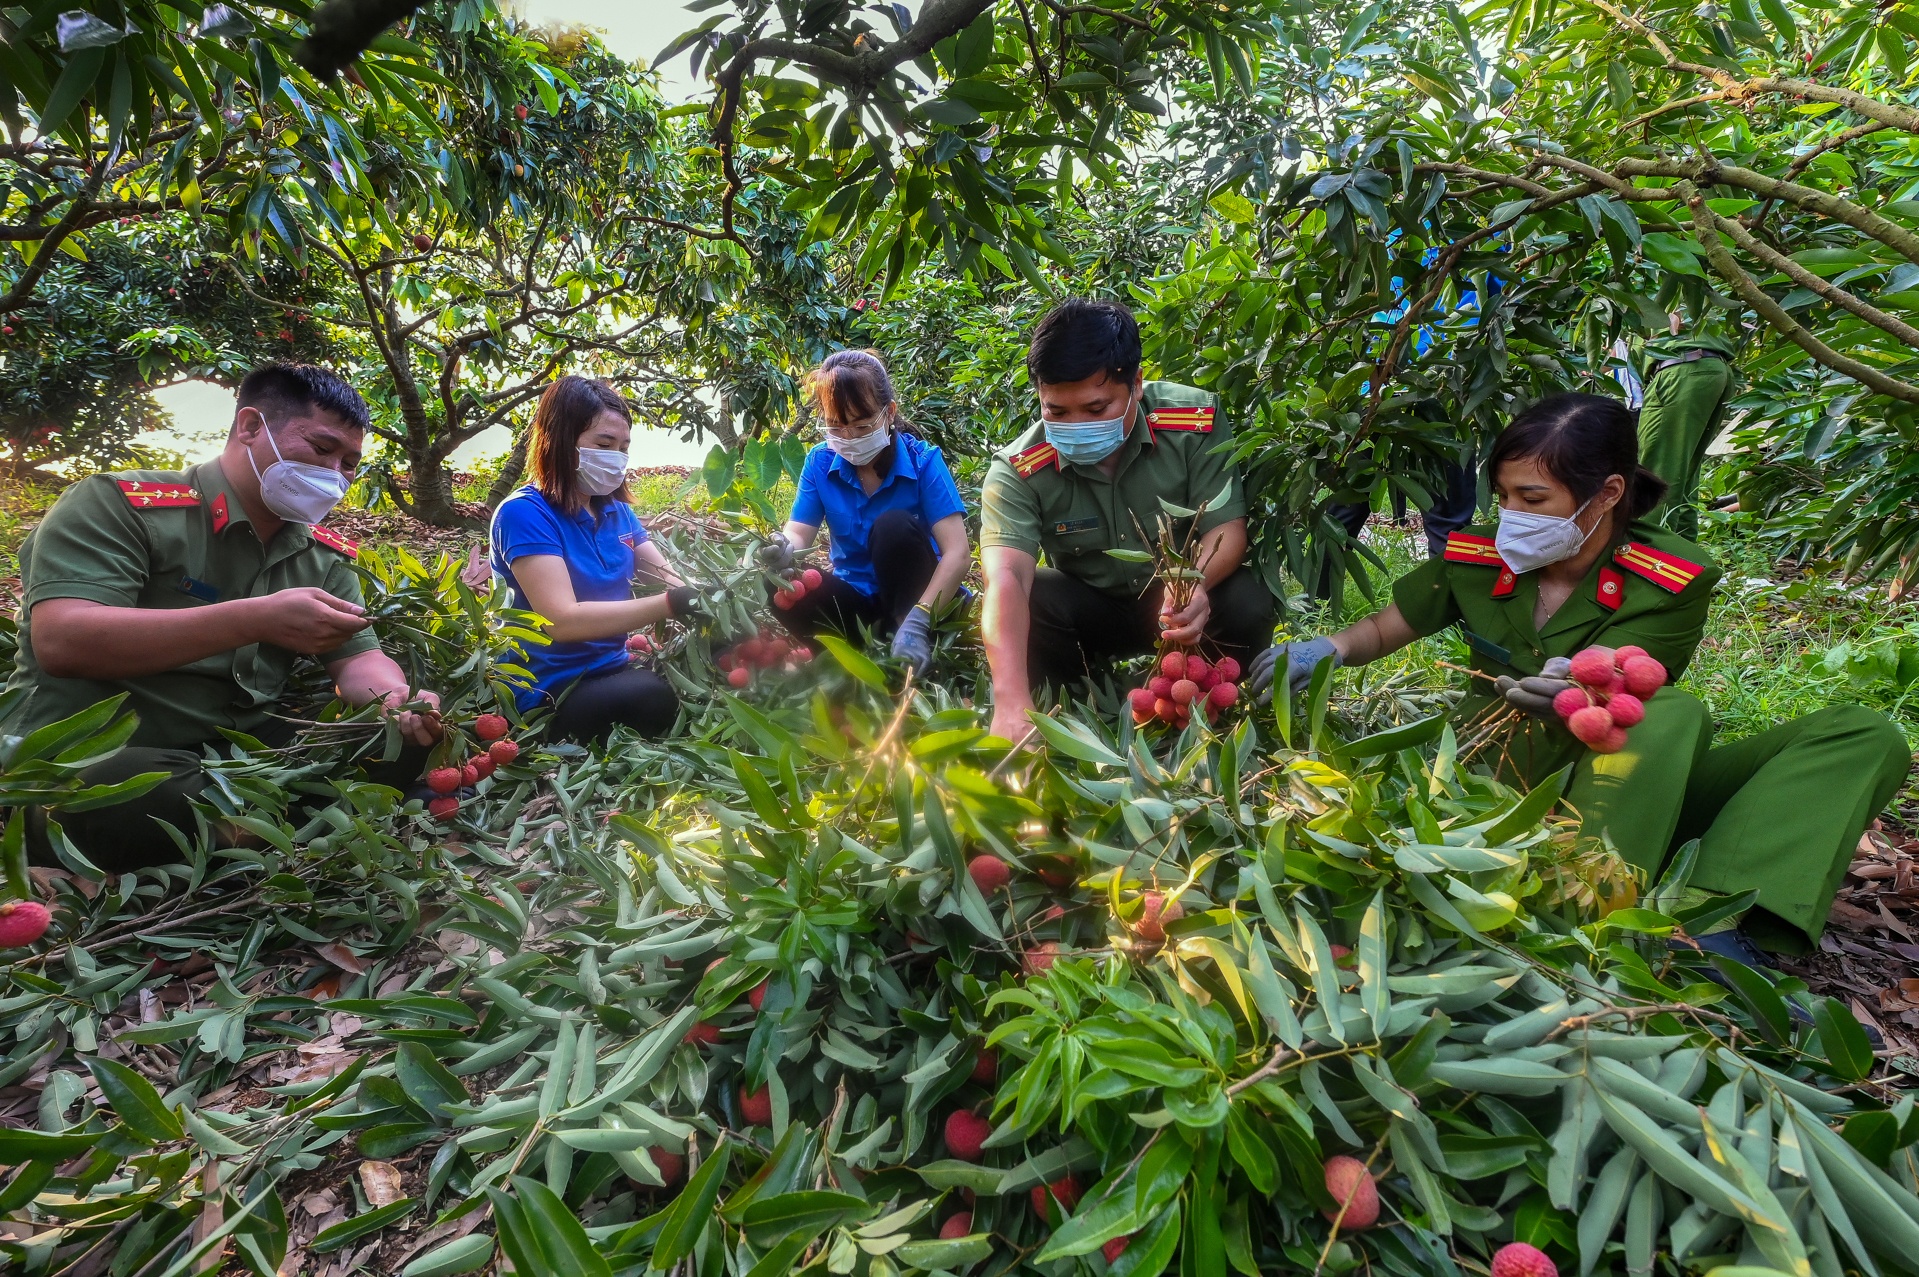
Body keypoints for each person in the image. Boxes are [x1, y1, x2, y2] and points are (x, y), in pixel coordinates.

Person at [1250, 392, 1908, 963]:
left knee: (1856, 732)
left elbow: (1635, 686)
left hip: (1630, 783)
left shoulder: (1672, 575)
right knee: (1672, 714)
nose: (1510, 512)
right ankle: (1589, 914)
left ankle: (1711, 923)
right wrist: (1324, 648)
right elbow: (1385, 627)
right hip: (1499, 778)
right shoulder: (1480, 555)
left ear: (1608, 493)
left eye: (1531, 498)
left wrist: (1573, 688)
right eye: (1503, 495)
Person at [7, 363, 445, 872]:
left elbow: (358, 657)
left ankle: (258, 832)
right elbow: (64, 640)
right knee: (153, 796)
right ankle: (285, 828)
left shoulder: (322, 555)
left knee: (404, 742)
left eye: (350, 463)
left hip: (240, 759)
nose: (336, 475)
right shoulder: (120, 506)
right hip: (98, 755)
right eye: (323, 450)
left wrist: (394, 700)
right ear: (251, 427)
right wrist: (252, 620)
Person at [979, 299, 1274, 741]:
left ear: (1136, 383)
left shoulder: (1193, 422)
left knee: (1250, 599)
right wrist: (1009, 700)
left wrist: (1195, 585)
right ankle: (1075, 696)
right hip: (1093, 608)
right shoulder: (1019, 469)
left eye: (1096, 410)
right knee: (1034, 596)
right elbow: (1006, 579)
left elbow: (1225, 529)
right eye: (1056, 412)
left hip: (1181, 601)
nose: (1076, 424)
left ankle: (1208, 704)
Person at [489, 376, 697, 742]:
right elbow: (560, 621)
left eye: (623, 447)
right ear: (561, 441)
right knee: (652, 696)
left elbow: (667, 576)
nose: (616, 458)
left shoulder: (616, 512)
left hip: (609, 667)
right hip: (547, 690)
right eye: (604, 444)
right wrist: (670, 604)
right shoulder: (524, 514)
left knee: (688, 679)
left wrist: (710, 601)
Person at [764, 350, 969, 672]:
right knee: (774, 582)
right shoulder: (819, 461)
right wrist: (782, 549)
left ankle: (913, 644)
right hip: (857, 605)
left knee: (894, 527)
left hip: (920, 604)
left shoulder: (924, 461)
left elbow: (957, 553)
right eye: (837, 426)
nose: (848, 437)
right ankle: (857, 660)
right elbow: (799, 532)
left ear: (888, 413)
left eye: (861, 427)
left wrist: (920, 618)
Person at [1635, 324, 1737, 539]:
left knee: (1658, 470)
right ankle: (1684, 556)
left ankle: (1649, 554)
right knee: (1685, 472)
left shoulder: (1636, 301)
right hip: (1713, 369)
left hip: (1681, 369)